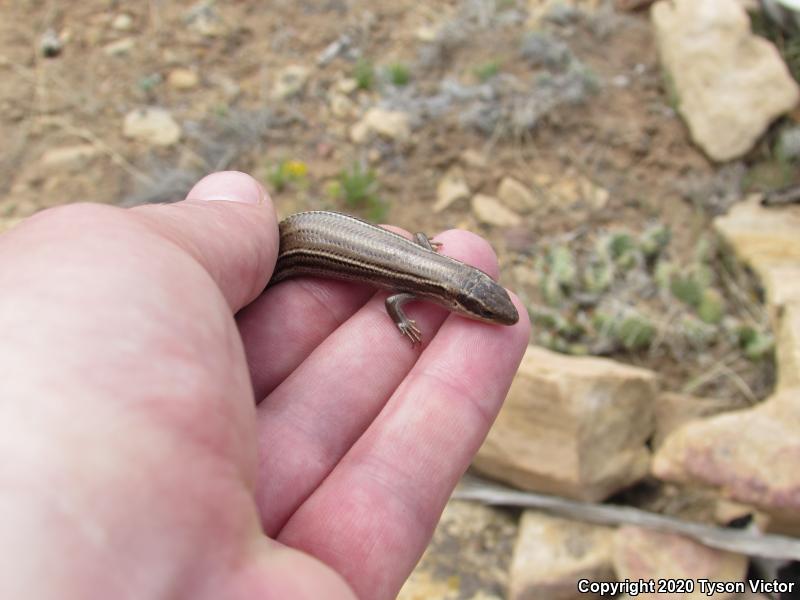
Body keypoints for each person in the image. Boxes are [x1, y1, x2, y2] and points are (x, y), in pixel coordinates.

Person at [0, 171, 530, 599]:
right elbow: (395, 300)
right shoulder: (423, 282)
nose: (487, 314)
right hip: (299, 247)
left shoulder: (430, 272)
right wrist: (404, 322)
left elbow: (409, 268)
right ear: (459, 297)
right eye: (482, 308)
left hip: (315, 239)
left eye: (483, 305)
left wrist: (418, 261)